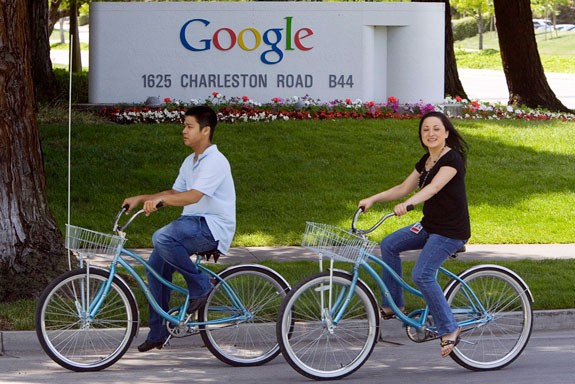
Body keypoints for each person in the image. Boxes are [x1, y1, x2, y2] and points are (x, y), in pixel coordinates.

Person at [122, 105, 236, 353]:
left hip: (211, 227)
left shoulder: (215, 161)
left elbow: (193, 196)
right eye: (183, 126)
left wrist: (162, 202)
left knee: (161, 237)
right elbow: (175, 193)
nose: (183, 131)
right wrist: (141, 198)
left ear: (205, 131)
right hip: (191, 224)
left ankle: (201, 285)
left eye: (189, 126)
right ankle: (158, 333)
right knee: (154, 267)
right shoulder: (190, 161)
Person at [358, 111, 470, 358]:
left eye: (436, 129)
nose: (430, 133)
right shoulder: (426, 160)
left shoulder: (452, 160)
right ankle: (393, 305)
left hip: (450, 231)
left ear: (446, 133)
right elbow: (403, 187)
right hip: (430, 225)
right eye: (425, 130)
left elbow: (434, 188)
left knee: (422, 274)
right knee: (389, 245)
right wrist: (373, 199)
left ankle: (450, 329)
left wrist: (409, 204)